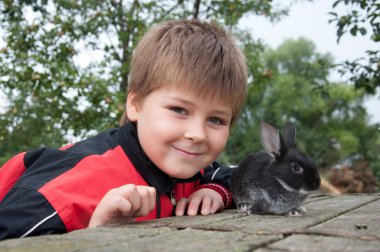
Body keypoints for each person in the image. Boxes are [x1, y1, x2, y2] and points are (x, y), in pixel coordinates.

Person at [0, 19, 247, 239]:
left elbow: (233, 176)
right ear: (135, 105)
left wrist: (215, 191)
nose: (198, 134)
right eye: (179, 110)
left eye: (216, 120)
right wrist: (92, 237)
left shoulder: (191, 169)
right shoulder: (74, 184)